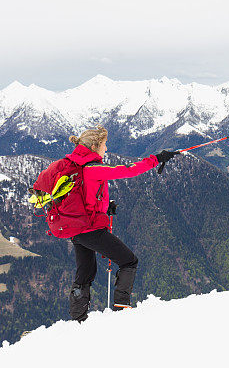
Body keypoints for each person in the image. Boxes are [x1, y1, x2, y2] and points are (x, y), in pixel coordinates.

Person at [63, 125, 177, 322]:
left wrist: (104, 206)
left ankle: (77, 321)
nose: (106, 149)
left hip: (76, 228)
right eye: (104, 145)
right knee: (129, 261)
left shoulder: (77, 167)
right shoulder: (93, 169)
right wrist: (156, 159)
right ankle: (122, 311)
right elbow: (128, 171)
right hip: (91, 229)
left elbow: (85, 197)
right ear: (95, 146)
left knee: (85, 275)